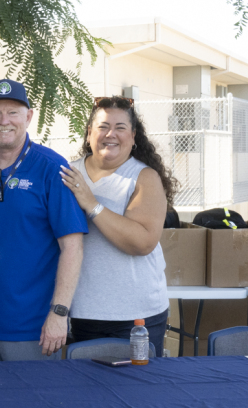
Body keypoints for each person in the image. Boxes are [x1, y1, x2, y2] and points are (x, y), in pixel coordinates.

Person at [0, 79, 87, 361]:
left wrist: (59, 313)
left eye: (13, 112)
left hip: (34, 329)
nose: (4, 121)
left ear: (28, 116)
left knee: (31, 405)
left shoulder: (52, 168)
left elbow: (73, 247)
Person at [60, 96, 174, 355]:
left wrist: (92, 204)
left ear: (134, 137)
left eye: (120, 128)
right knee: (85, 392)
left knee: (137, 391)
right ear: (89, 134)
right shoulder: (67, 175)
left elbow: (142, 242)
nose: (111, 134)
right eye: (103, 126)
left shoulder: (145, 178)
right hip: (80, 312)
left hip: (137, 316)